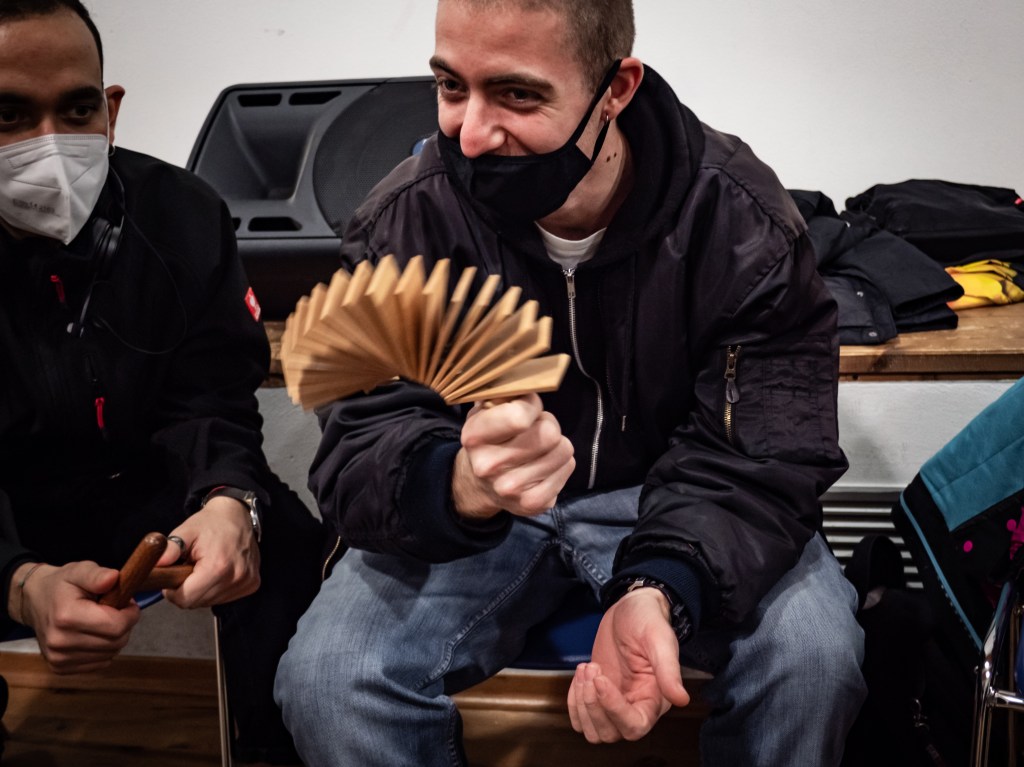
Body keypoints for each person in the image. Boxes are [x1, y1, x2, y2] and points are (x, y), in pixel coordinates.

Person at [275, 0, 866, 764]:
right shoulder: (404, 218)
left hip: (675, 495)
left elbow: (766, 452)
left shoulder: (739, 220)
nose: (471, 134)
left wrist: (661, 584)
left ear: (616, 89)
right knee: (330, 678)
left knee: (812, 661)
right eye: (451, 87)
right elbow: (358, 443)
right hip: (484, 517)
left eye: (517, 94)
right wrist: (458, 480)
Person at [0, 1, 324, 763]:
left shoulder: (184, 213)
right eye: (8, 114)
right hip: (10, 516)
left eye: (76, 108)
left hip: (145, 495)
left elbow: (214, 398)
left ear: (110, 110)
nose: (49, 143)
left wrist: (229, 500)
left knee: (287, 547)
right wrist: (17, 581)